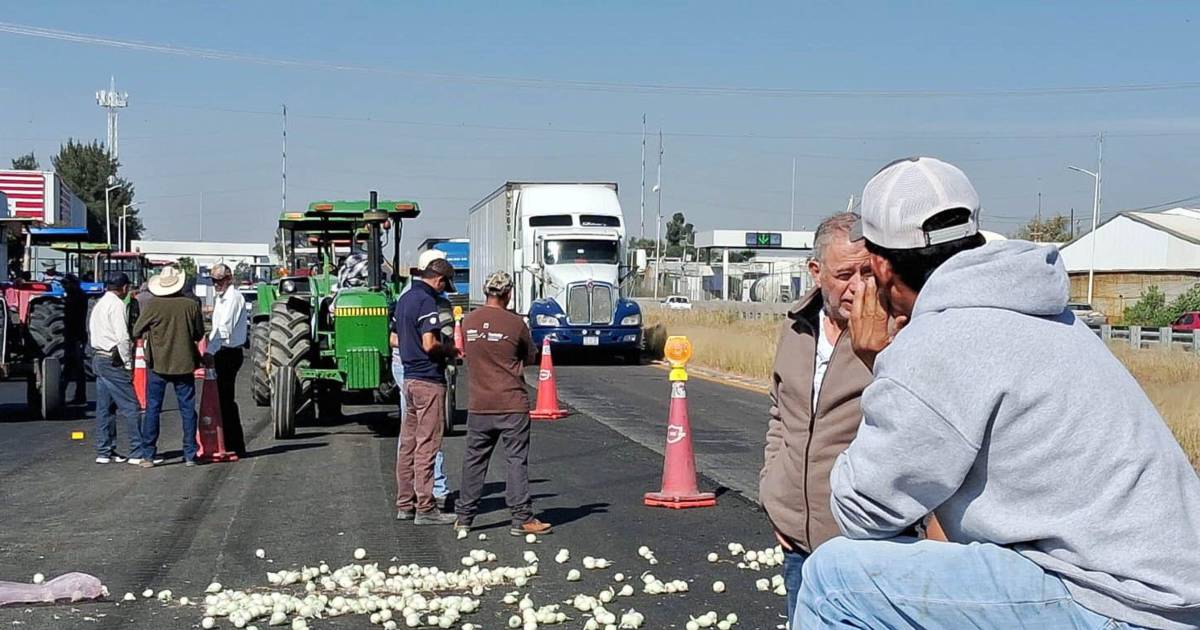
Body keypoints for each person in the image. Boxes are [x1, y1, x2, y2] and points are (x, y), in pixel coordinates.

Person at [796, 156, 1200, 630]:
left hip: (1115, 601)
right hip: (1167, 586)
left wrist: (882, 363)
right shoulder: (1045, 312)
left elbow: (862, 510)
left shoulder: (939, 341)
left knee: (833, 580)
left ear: (881, 266)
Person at [759, 212, 872, 619]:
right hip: (795, 542)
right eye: (844, 274)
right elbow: (780, 415)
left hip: (862, 545)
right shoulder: (795, 329)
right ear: (816, 271)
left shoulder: (892, 336)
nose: (857, 287)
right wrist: (773, 494)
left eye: (867, 271)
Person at [454, 271, 552, 537]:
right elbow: (529, 356)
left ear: (486, 292)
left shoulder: (468, 322)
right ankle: (521, 518)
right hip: (511, 403)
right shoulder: (515, 324)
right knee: (515, 461)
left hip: (479, 403)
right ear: (508, 294)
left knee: (474, 461)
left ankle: (464, 517)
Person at [393, 256, 459, 525]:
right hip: (428, 381)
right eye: (445, 285)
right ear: (439, 279)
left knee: (407, 445)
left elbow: (392, 338)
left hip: (408, 380)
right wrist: (451, 351)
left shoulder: (404, 299)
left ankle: (404, 504)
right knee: (427, 445)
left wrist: (410, 351)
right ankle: (426, 507)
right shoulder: (427, 301)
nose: (444, 290)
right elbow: (431, 343)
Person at [132, 266, 205, 468]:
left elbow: (137, 329)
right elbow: (199, 333)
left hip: (158, 364)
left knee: (153, 409)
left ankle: (148, 454)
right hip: (184, 363)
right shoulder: (190, 305)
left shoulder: (153, 305)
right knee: (188, 410)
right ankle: (190, 453)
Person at [88, 273, 140, 464]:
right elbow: (123, 337)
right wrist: (128, 363)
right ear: (124, 287)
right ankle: (137, 451)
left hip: (98, 357)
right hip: (113, 359)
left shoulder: (99, 304)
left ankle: (105, 450)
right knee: (131, 406)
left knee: (105, 407)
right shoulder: (117, 305)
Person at [203, 263, 248, 456]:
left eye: (220, 280)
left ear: (229, 279)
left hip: (228, 352)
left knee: (226, 400)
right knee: (222, 399)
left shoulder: (233, 298)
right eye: (214, 281)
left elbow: (224, 329)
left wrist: (209, 352)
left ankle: (234, 444)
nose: (216, 284)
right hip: (222, 350)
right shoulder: (222, 298)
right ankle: (228, 443)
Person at [61, 274, 89, 405]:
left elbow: (74, 318)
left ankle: (76, 394)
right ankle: (67, 393)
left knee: (75, 366)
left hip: (76, 335)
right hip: (73, 334)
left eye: (66, 284)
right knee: (72, 366)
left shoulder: (77, 297)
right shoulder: (75, 296)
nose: (65, 287)